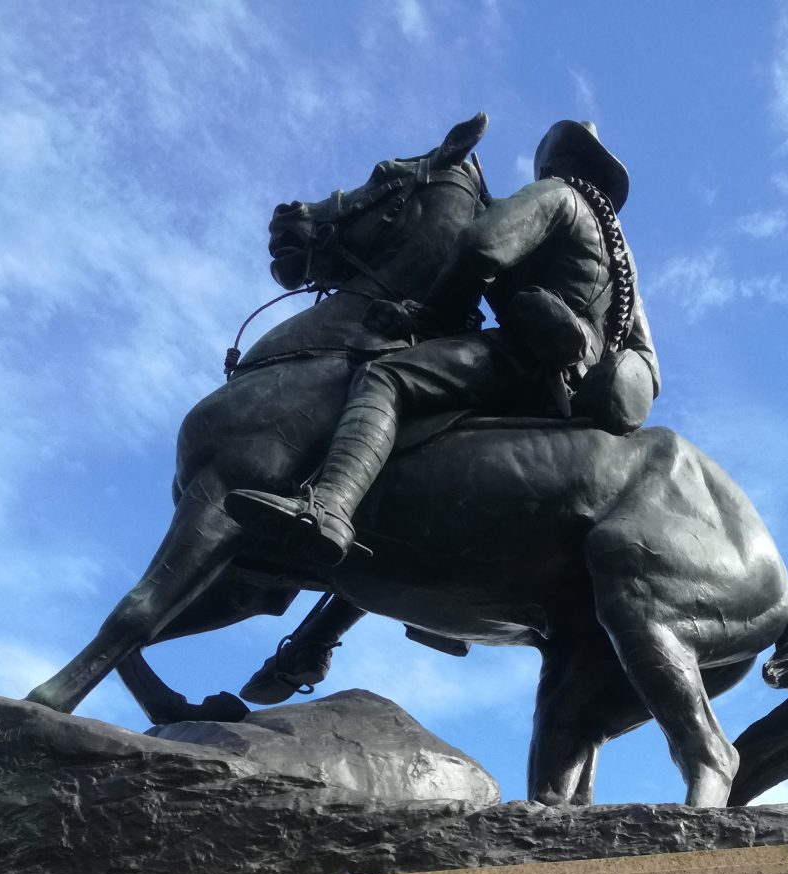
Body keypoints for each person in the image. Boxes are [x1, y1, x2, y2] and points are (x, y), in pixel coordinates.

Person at [229, 119, 660, 702]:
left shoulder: (557, 196)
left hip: (521, 365)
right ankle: (316, 641)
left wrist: (431, 314)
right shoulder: (624, 256)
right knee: (406, 471)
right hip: (573, 405)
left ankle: (328, 506)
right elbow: (647, 367)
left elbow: (480, 247)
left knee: (387, 378)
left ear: (555, 163)